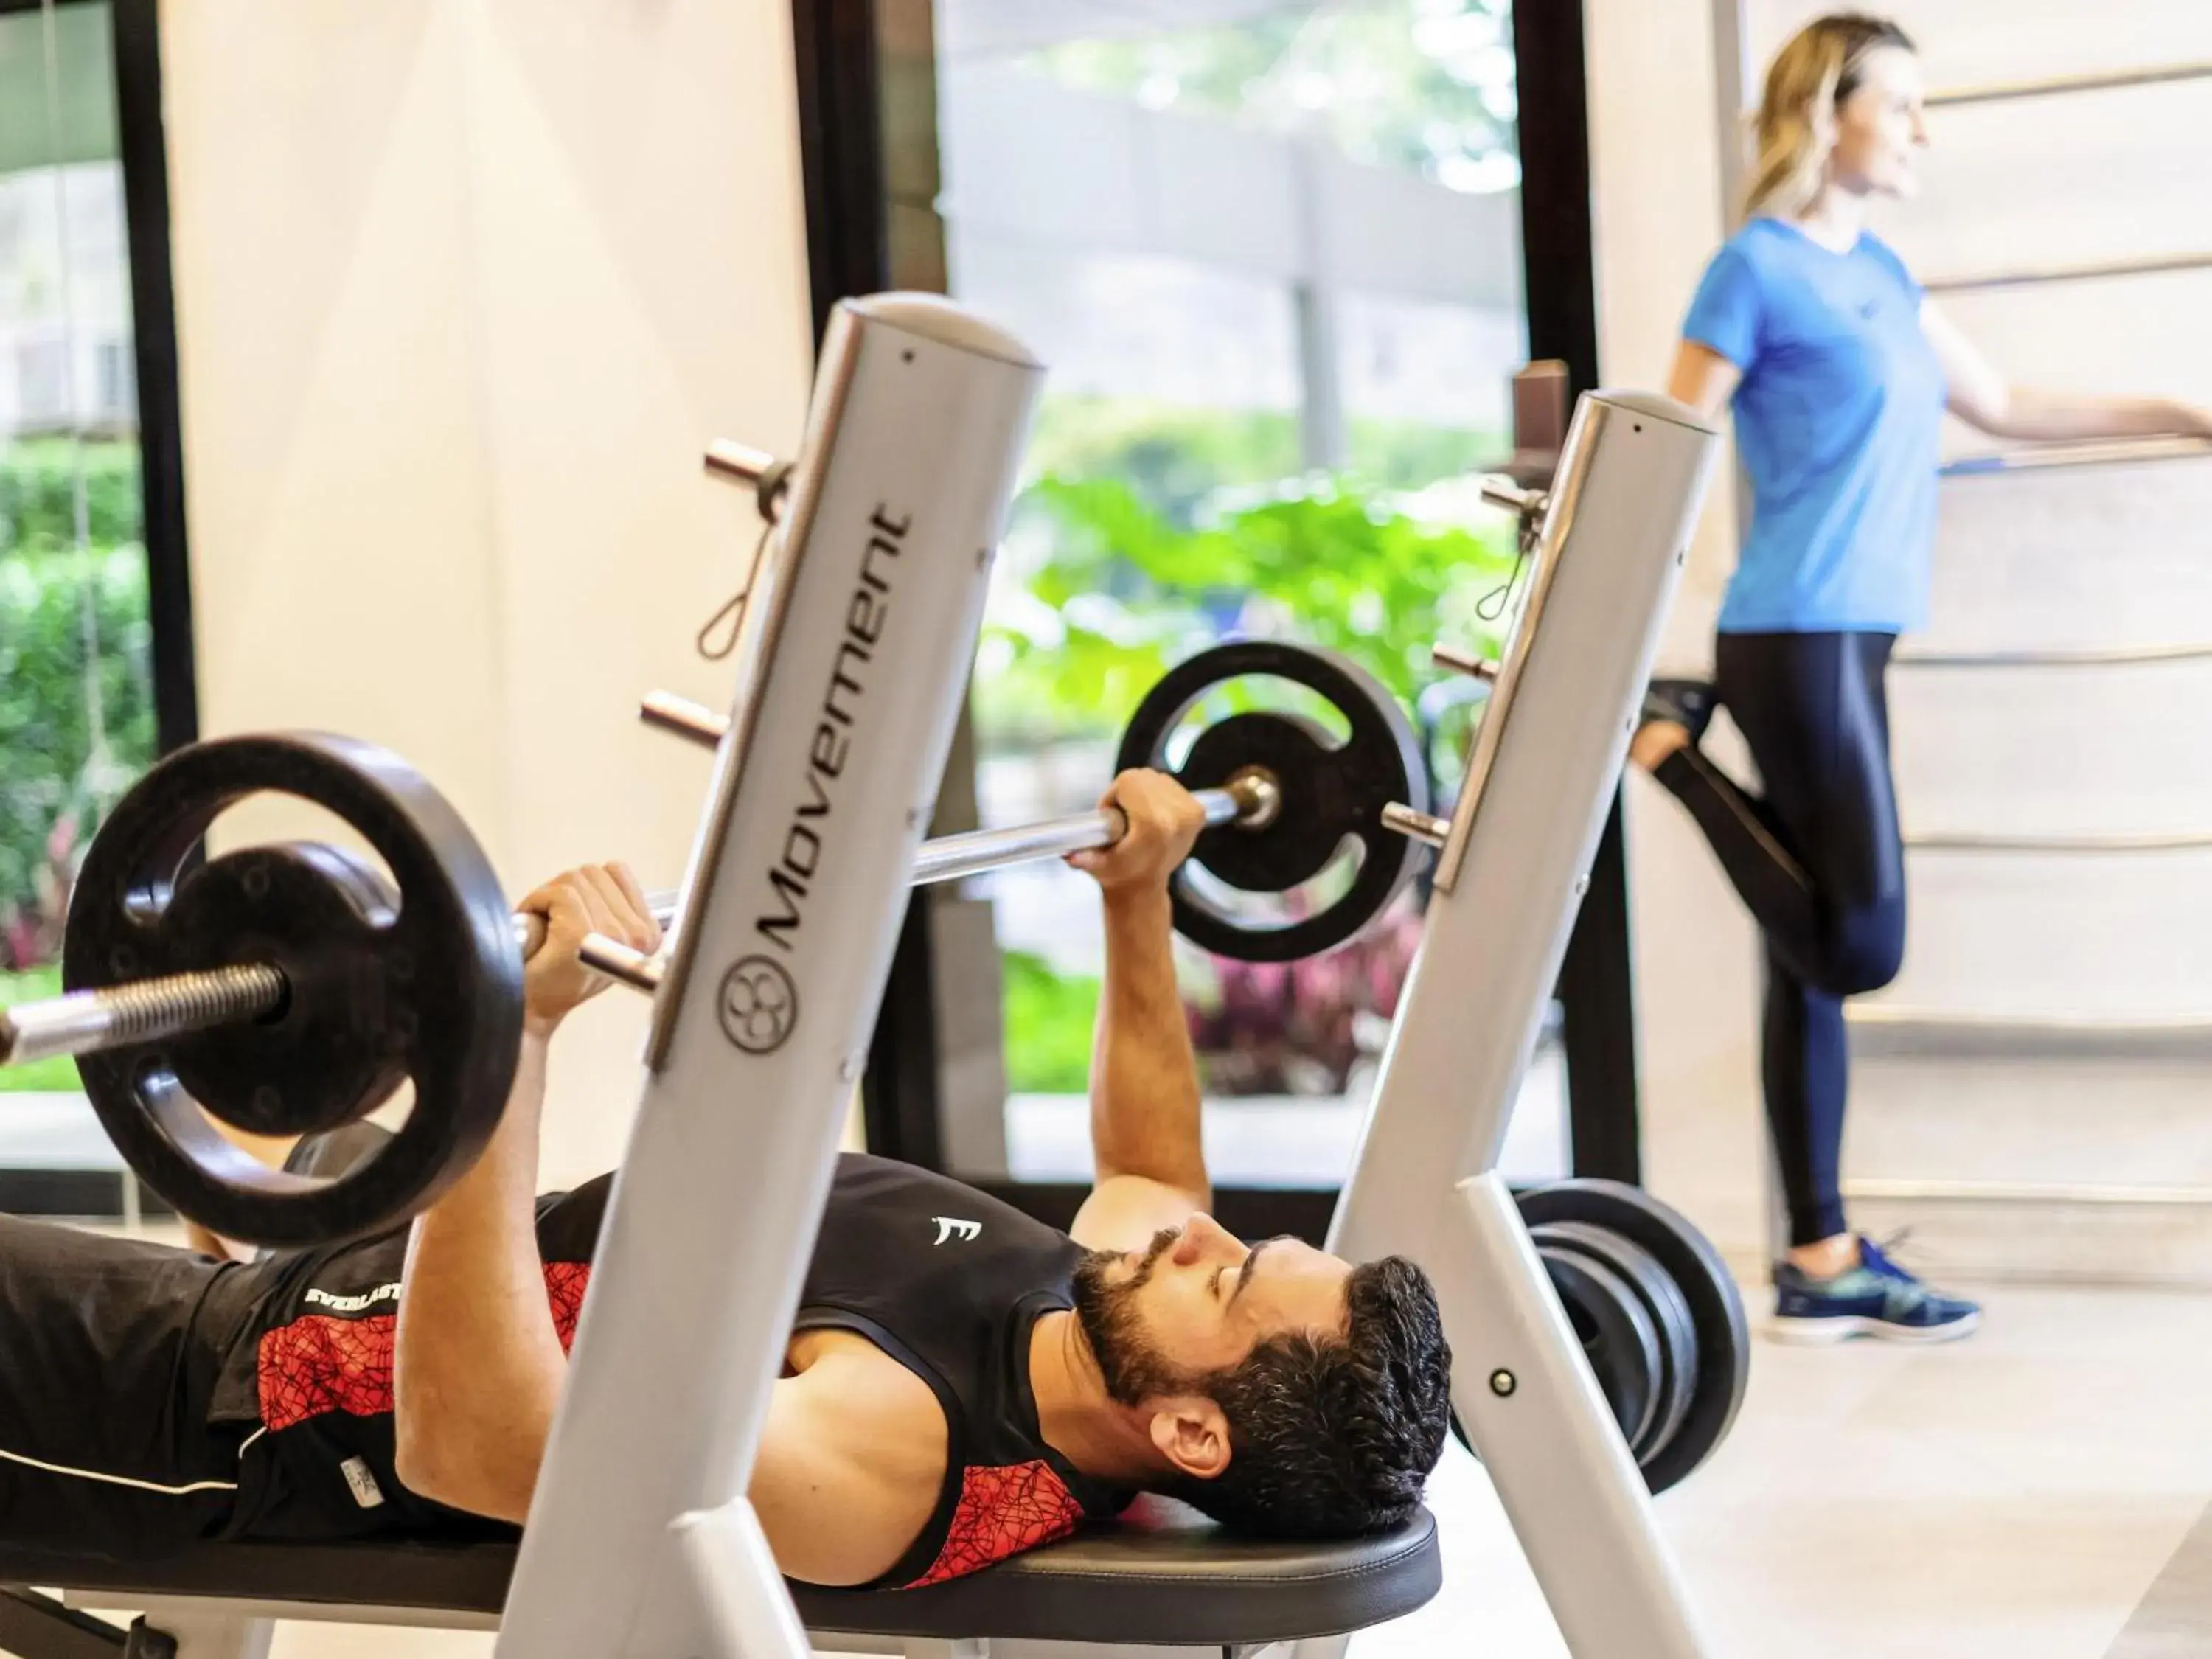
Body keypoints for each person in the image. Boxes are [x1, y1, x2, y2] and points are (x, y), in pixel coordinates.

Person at [0, 770, 1452, 1588]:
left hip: (202, 1413)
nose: (1203, 1238)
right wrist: (1137, 906)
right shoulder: (1101, 1311)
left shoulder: (902, 1452)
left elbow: (484, 1443)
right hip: (270, 1286)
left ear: (1193, 1436)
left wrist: (513, 1033)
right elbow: (1146, 1166)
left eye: (1235, 1276)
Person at [1630, 12, 2212, 1343]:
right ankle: (1666, 751)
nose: (1921, 134)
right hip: (1789, 632)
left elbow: (2003, 407)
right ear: (1825, 111)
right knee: (1866, 941)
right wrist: (1618, 609)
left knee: (1813, 959)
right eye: (1901, 108)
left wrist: (2187, 410)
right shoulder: (1754, 270)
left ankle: (1818, 1255)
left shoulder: (1883, 275)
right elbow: (1670, 443)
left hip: (1859, 633)